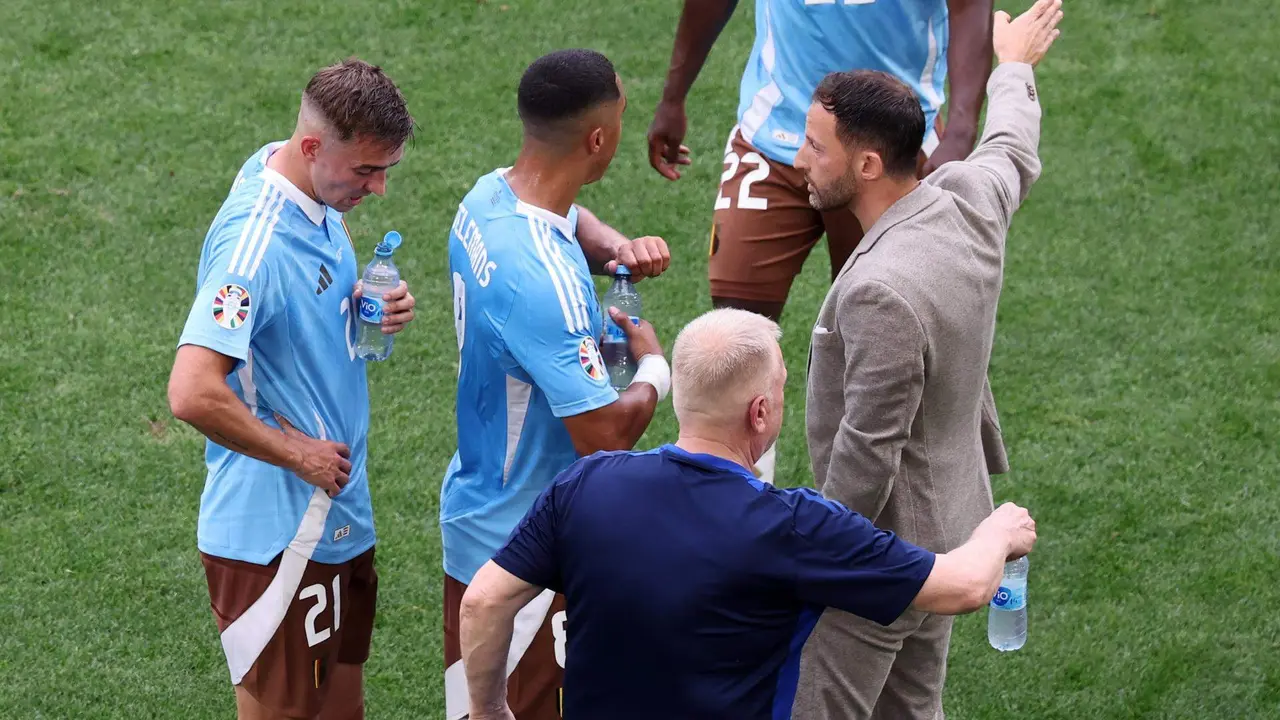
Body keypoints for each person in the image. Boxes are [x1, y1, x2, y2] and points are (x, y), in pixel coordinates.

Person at [457, 308, 1039, 720]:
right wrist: (997, 530)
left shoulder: (585, 486)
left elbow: (484, 601)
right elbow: (961, 587)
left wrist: (487, 709)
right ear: (759, 412)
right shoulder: (793, 526)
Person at [793, 3, 1062, 718]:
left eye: (815, 147)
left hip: (887, 559)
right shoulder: (968, 199)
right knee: (913, 711)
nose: (798, 160)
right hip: (954, 529)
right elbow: (1011, 149)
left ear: (868, 163)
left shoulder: (880, 291)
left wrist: (811, 560)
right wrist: (1013, 68)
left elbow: (867, 455)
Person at [647, 0, 995, 483]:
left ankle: (876, 513)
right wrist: (673, 95)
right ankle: (740, 507)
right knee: (737, 336)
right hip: (771, 138)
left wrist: (960, 127)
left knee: (883, 331)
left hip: (884, 152)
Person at [166, 58, 417, 720]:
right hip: (277, 532)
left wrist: (361, 302)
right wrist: (296, 453)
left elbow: (296, 305)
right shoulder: (253, 246)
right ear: (312, 148)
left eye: (385, 168)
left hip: (339, 516)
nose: (380, 187)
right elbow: (192, 391)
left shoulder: (306, 185)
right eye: (367, 171)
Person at [440, 48, 673, 720]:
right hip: (527, 541)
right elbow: (601, 434)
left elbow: (569, 223)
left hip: (483, 503)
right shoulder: (540, 282)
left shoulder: (490, 196)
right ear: (598, 138)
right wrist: (656, 366)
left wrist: (617, 250)